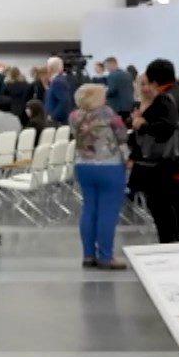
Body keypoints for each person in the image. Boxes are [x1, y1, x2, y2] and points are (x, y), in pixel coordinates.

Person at [134, 59, 179, 243]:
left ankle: (169, 244)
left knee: (161, 206)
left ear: (154, 80)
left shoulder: (165, 98)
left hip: (167, 162)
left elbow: (165, 127)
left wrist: (143, 125)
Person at [69, 83, 130, 270]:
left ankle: (88, 255)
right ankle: (105, 256)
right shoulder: (108, 114)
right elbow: (122, 135)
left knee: (89, 209)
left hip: (83, 165)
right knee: (107, 212)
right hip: (109, 166)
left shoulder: (74, 116)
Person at [42, 56, 74, 123]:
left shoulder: (57, 82)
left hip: (57, 121)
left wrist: (53, 116)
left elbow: (65, 101)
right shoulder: (60, 80)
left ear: (49, 68)